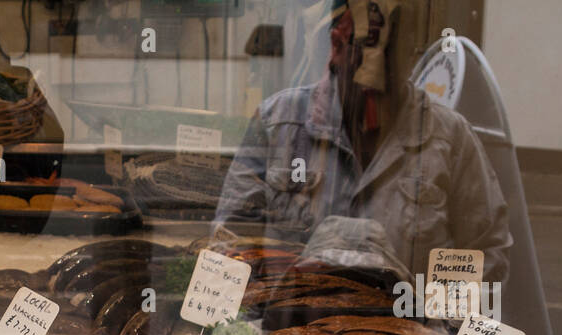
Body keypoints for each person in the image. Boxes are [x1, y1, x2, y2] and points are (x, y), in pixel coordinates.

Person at [215, 0, 512, 284]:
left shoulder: (449, 138)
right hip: (289, 331)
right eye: (365, 45)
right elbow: (230, 239)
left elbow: (487, 252)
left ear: (410, 55)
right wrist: (235, 330)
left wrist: (434, 325)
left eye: (391, 50)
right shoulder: (277, 124)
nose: (377, 71)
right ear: (336, 47)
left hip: (407, 331)